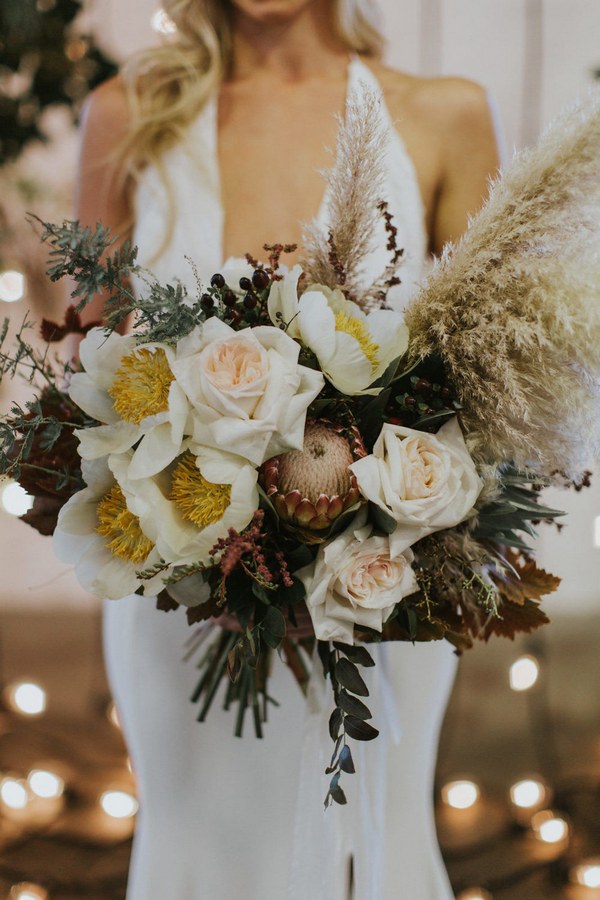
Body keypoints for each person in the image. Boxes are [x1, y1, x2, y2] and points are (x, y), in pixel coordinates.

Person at [75, 1, 500, 897]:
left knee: (373, 844)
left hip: (379, 592)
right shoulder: (126, 116)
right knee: (199, 850)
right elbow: (95, 380)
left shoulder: (445, 113)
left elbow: (489, 386)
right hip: (183, 592)